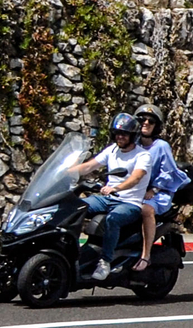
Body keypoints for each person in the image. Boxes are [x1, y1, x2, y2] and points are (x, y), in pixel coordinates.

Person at [59, 113, 152, 277]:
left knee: (113, 220)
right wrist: (63, 173)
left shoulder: (142, 155)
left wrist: (116, 188)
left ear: (133, 136)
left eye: (124, 134)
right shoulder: (112, 150)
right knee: (75, 207)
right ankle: (67, 249)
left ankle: (105, 262)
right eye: (117, 133)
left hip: (130, 203)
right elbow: (89, 166)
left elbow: (136, 178)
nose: (120, 136)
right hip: (107, 199)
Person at [132, 104, 189, 266]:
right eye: (142, 120)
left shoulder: (161, 146)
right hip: (136, 191)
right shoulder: (132, 144)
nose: (146, 123)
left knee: (146, 210)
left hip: (158, 192)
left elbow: (168, 172)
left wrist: (154, 189)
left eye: (151, 121)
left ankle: (145, 255)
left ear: (156, 126)